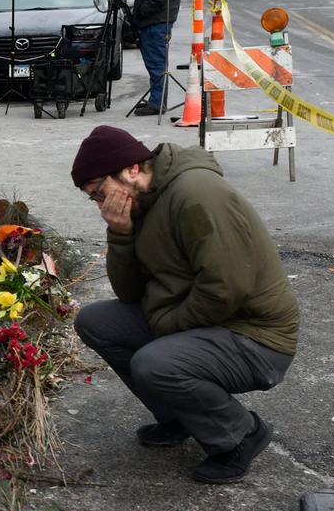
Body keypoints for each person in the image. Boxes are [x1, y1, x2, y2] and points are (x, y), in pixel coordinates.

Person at [70, 125, 298, 484]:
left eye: (100, 192)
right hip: (199, 320)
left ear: (131, 169)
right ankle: (182, 415)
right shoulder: (142, 199)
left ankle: (240, 435)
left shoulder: (197, 194)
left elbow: (225, 288)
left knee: (154, 363)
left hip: (255, 336)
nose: (102, 203)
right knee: (95, 322)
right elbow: (129, 294)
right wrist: (121, 233)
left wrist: (165, 330)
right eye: (94, 198)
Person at [130, 0, 185, 117]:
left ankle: (157, 102)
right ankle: (156, 99)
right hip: (155, 22)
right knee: (155, 64)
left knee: (157, 64)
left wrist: (142, 11)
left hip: (156, 23)